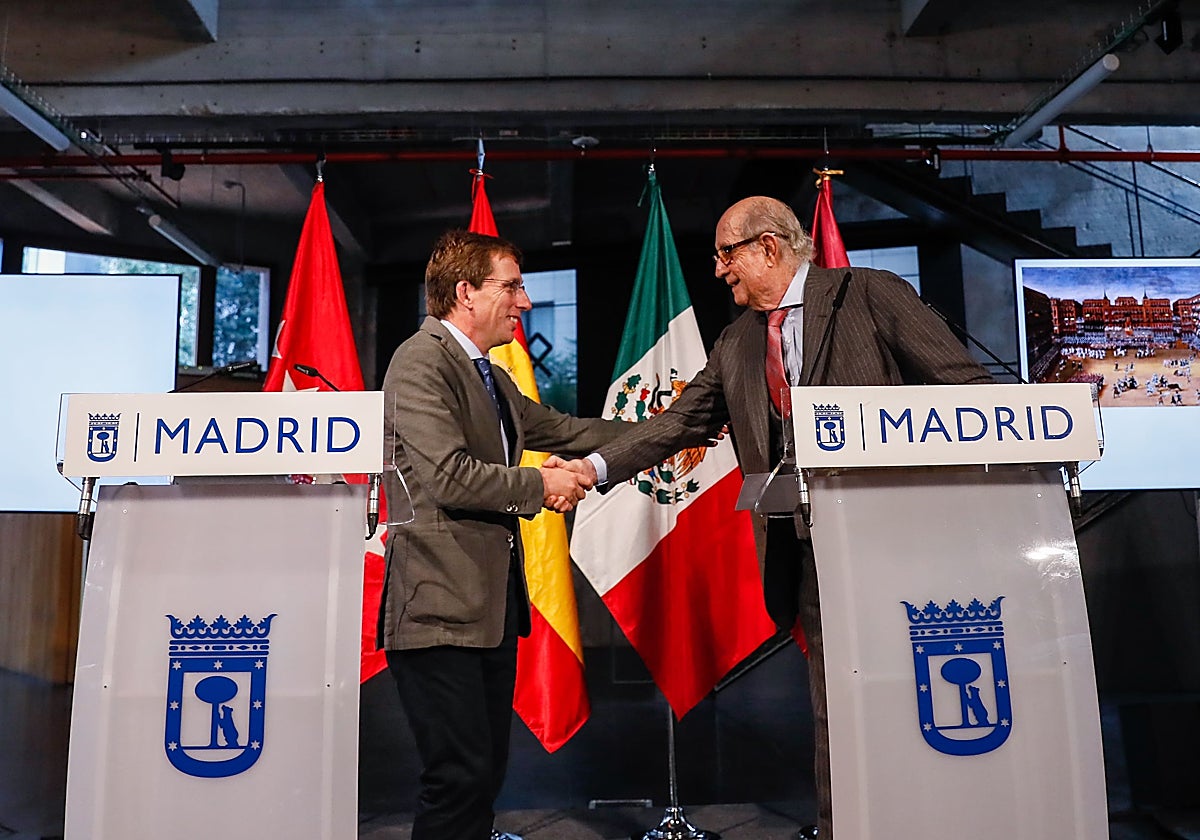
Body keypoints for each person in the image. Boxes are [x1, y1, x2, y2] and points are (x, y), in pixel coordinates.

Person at [569, 196, 992, 839]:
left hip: (899, 547)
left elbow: (967, 392)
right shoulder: (737, 341)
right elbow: (678, 424)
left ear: (768, 248)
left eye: (726, 254)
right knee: (833, 706)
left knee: (909, 697)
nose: (718, 270)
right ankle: (841, 827)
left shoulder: (868, 294)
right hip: (808, 554)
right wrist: (592, 468)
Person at [378, 229, 628, 840]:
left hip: (484, 613)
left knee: (482, 777)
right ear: (465, 292)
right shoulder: (420, 361)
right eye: (511, 286)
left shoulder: (487, 374)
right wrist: (543, 484)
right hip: (438, 615)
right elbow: (450, 477)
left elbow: (565, 431)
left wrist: (671, 431)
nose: (525, 301)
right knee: (457, 780)